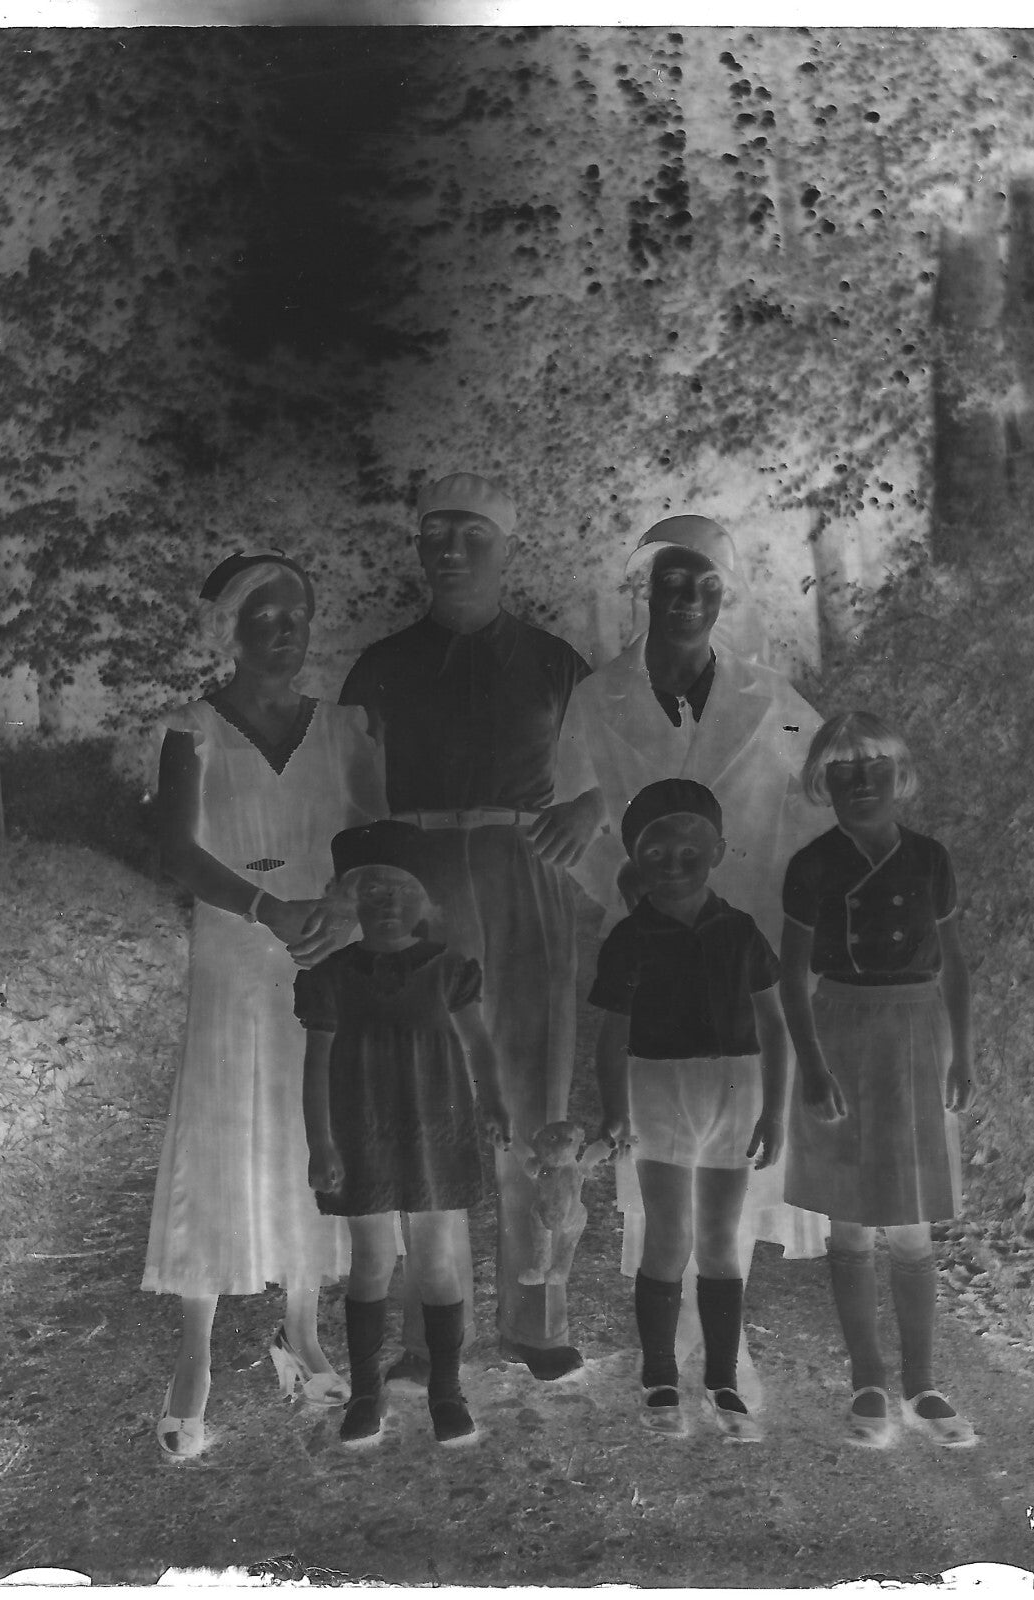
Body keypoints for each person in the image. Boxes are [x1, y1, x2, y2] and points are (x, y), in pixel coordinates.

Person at [323, 472, 602, 1383]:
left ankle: (537, 1317)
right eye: (434, 534)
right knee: (418, 1088)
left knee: (532, 1090)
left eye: (470, 534)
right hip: (418, 883)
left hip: (527, 875)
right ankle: (421, 1332)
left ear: (505, 547)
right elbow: (355, 796)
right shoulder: (380, 666)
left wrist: (590, 811)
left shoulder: (556, 661)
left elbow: (612, 765)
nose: (449, 550)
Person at [555, 515, 828, 1376]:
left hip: (737, 930)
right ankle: (669, 1336)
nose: (691, 600)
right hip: (650, 934)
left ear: (725, 597)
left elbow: (820, 786)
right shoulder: (599, 698)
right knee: (658, 1130)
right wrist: (624, 882)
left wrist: (808, 885)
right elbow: (574, 812)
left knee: (732, 1132)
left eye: (708, 586)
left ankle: (726, 1335)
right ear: (647, 590)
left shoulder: (768, 698)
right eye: (675, 582)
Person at [144, 552, 385, 1459]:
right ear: (234, 630)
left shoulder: (344, 729)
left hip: (324, 953)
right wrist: (261, 904)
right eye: (265, 615)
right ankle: (196, 1358)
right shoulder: (192, 728)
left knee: (310, 1126)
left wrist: (349, 908)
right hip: (236, 952)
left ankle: (304, 1330)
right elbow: (175, 850)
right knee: (221, 1131)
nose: (285, 629)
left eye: (300, 613)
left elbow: (374, 837)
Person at [779, 710, 977, 1449]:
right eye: (841, 769)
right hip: (842, 1035)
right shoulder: (811, 864)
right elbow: (794, 977)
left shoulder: (931, 858)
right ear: (821, 782)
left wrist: (963, 1053)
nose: (859, 782)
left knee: (913, 1225)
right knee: (851, 1221)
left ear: (901, 776)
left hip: (917, 1035)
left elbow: (953, 962)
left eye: (873, 767)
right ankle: (868, 1378)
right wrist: (812, 1065)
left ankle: (922, 1383)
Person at [297, 822, 512, 1448]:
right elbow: (315, 1067)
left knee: (436, 1259)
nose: (388, 903)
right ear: (350, 899)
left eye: (402, 890)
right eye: (373, 891)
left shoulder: (448, 970)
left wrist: (493, 1104)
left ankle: (447, 1389)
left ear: (425, 901)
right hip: (361, 1133)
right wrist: (321, 1143)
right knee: (370, 1261)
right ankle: (367, 1392)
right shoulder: (331, 976)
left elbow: (478, 1046)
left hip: (435, 1129)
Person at [591, 780, 787, 1440]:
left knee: (722, 1242)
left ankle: (724, 1379)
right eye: (655, 851)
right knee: (669, 1237)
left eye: (690, 849)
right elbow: (613, 1034)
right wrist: (615, 1111)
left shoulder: (741, 932)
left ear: (718, 852)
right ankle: (658, 1375)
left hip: (734, 1092)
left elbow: (772, 1027)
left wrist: (775, 1112)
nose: (673, 862)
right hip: (657, 1092)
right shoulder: (629, 936)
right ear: (634, 860)